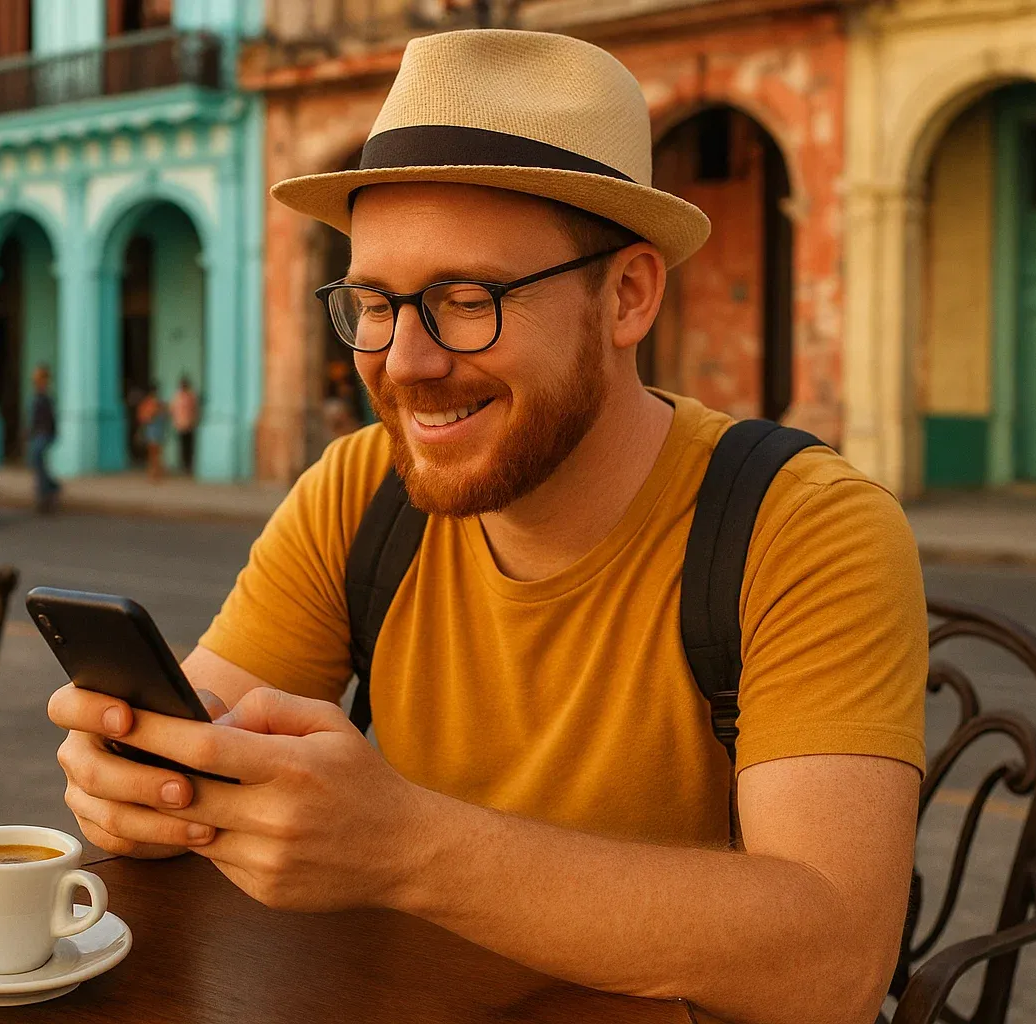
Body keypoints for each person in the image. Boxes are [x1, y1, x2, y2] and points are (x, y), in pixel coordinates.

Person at [50, 30, 925, 1024]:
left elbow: (834, 960)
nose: (405, 361)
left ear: (629, 293)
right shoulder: (359, 488)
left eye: (467, 302)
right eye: (374, 303)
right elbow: (207, 721)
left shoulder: (802, 525)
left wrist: (404, 846)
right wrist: (144, 777)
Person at [27, 364, 59, 514]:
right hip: (38, 434)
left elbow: (50, 419)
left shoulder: (46, 398)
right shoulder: (37, 397)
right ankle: (51, 488)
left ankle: (45, 494)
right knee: (38, 464)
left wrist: (48, 433)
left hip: (44, 434)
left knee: (38, 460)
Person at [136, 385, 168, 483]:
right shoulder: (154, 404)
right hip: (153, 431)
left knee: (155, 453)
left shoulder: (153, 404)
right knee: (154, 453)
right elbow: (145, 418)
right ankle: (154, 473)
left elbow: (143, 418)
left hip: (155, 431)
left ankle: (155, 473)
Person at [171, 377, 199, 475]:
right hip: (180, 425)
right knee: (182, 446)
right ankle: (184, 465)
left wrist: (194, 420)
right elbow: (173, 410)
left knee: (189, 446)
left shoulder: (191, 396)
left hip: (189, 425)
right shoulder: (178, 396)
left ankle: (189, 465)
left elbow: (194, 409)